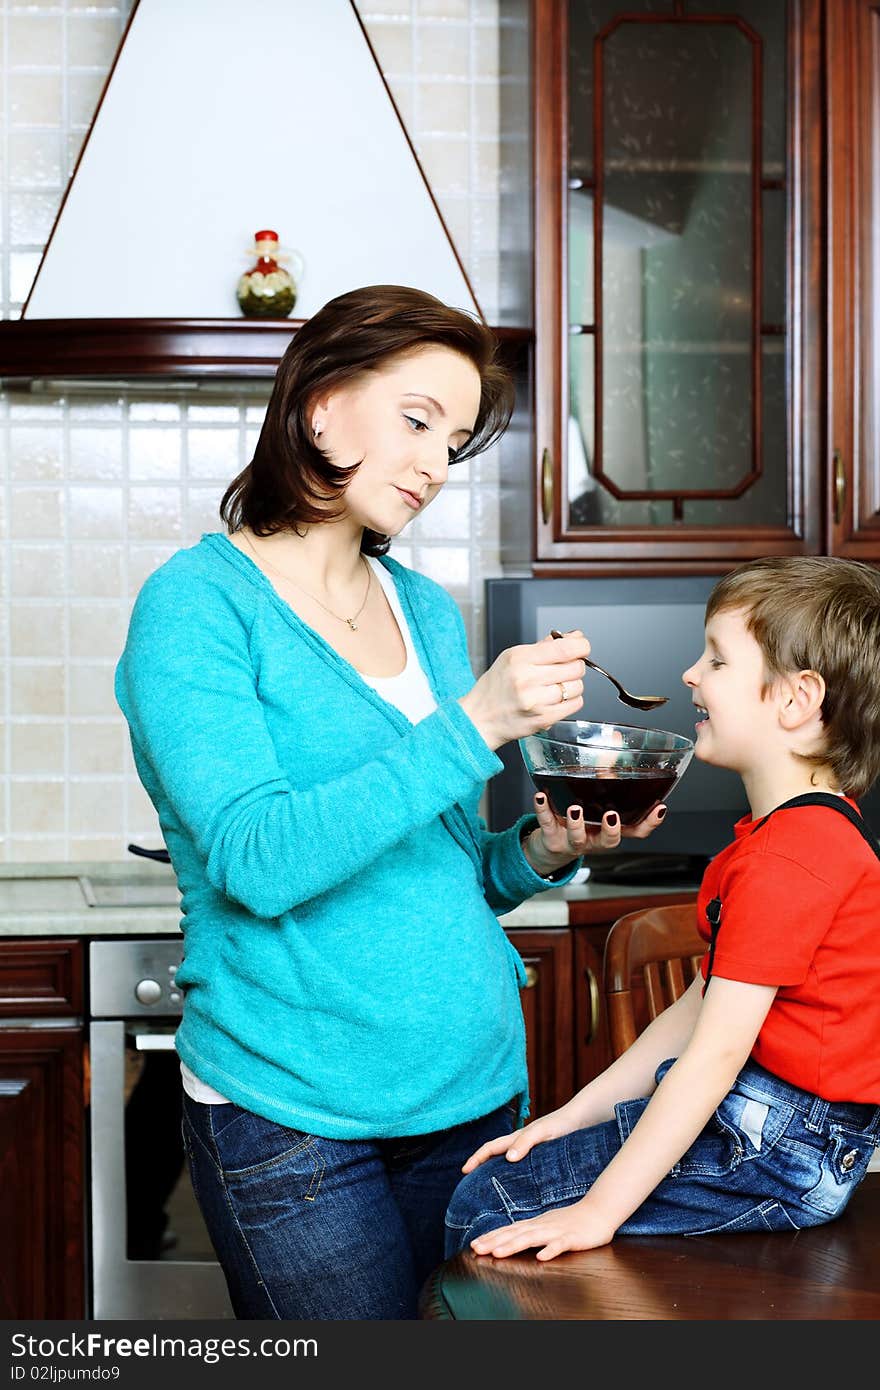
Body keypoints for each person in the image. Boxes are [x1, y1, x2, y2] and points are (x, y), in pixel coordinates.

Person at [114, 283, 666, 1320]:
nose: (433, 464)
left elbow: (446, 873)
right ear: (320, 405)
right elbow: (256, 857)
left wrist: (540, 851)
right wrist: (473, 724)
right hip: (295, 1119)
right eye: (416, 420)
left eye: (453, 441)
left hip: (475, 1098)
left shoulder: (421, 607)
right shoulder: (197, 604)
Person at [445, 554, 880, 1262]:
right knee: (519, 1173)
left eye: (717, 660)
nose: (690, 675)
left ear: (797, 700)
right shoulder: (797, 836)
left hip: (781, 1147)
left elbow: (712, 1058)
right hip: (781, 1132)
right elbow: (698, 1010)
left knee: (489, 1198)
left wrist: (596, 1214)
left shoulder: (788, 859)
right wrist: (568, 1118)